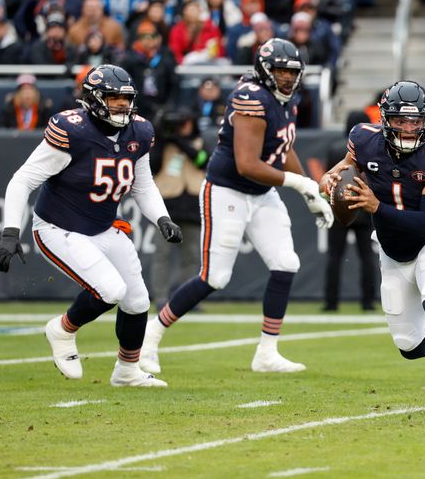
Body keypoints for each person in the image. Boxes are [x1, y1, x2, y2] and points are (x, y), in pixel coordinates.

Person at [140, 38, 333, 375]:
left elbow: (284, 149)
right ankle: (150, 337)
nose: (287, 78)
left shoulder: (286, 100)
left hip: (261, 194)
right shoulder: (250, 98)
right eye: (280, 71)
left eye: (292, 72)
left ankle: (267, 353)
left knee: (286, 262)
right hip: (228, 190)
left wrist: (311, 191)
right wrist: (300, 184)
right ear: (264, 70)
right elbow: (247, 164)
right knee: (215, 277)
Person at [0, 64, 182, 387]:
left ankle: (127, 371)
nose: (121, 105)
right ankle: (62, 330)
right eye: (112, 98)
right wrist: (11, 232)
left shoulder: (139, 132)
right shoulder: (73, 131)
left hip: (104, 227)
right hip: (57, 227)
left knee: (137, 300)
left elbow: (143, 185)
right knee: (111, 289)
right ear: (93, 99)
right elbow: (22, 180)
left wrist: (162, 217)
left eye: (126, 99)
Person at [319, 80, 425, 414]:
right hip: (391, 249)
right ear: (385, 119)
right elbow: (343, 170)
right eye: (400, 120)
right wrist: (331, 178)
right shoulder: (363, 140)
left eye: (415, 121)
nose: (408, 128)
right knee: (410, 346)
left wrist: (376, 208)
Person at [149, 109, 211, 311]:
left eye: (185, 123)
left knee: (191, 255)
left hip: (192, 205)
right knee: (162, 254)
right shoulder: (161, 145)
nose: (181, 127)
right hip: (166, 205)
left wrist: (179, 140)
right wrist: (162, 137)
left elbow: (202, 160)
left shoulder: (199, 143)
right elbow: (153, 166)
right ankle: (160, 298)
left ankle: (188, 299)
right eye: (178, 124)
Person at [322, 114, 378, 312]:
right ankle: (368, 301)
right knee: (367, 257)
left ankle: (331, 302)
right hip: (362, 206)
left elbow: (330, 180)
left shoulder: (335, 147)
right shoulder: (371, 148)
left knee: (334, 256)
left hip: (339, 208)